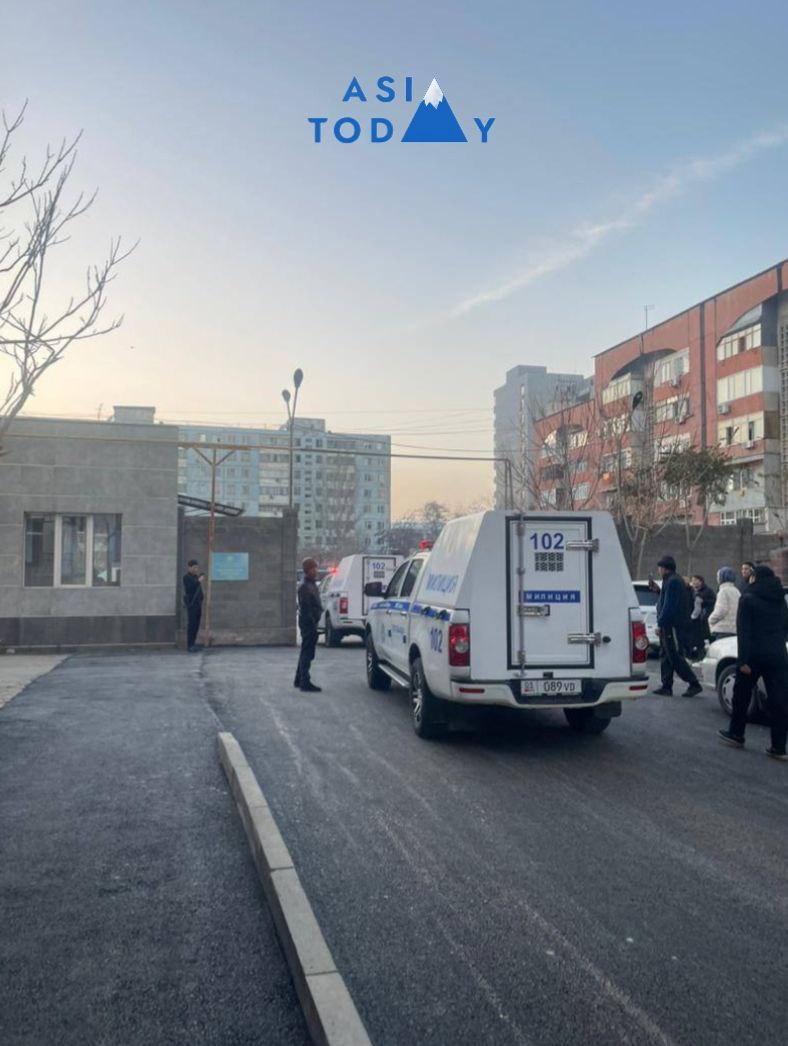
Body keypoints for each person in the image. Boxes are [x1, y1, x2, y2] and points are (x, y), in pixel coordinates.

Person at [719, 564, 788, 761]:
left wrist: (743, 660)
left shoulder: (748, 597)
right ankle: (778, 746)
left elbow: (744, 631)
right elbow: (785, 627)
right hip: (778, 654)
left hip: (753, 654)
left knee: (741, 694)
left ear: (755, 578)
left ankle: (736, 733)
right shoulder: (780, 599)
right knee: (779, 700)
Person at [653, 555, 703, 697]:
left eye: (660, 567)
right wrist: (657, 591)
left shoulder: (673, 581)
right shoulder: (671, 580)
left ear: (665, 568)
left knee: (674, 656)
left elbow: (669, 605)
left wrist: (661, 623)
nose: (658, 570)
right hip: (670, 624)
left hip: (672, 625)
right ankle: (666, 686)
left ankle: (694, 683)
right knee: (665, 654)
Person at [295, 557, 323, 693]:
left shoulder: (311, 584)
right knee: (308, 653)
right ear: (308, 570)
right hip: (308, 624)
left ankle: (298, 679)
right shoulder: (305, 586)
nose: (316, 570)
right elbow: (306, 608)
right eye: (314, 568)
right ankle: (305, 682)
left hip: (311, 622)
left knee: (305, 651)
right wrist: (312, 625)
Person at [708, 567, 740, 641]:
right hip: (734, 628)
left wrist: (710, 619)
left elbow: (721, 610)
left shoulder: (723, 591)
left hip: (723, 629)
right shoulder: (736, 591)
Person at [688, 574, 716, 657]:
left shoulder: (708, 590)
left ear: (701, 582)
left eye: (696, 580)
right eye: (692, 581)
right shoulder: (692, 591)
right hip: (696, 619)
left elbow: (714, 601)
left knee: (709, 638)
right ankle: (698, 655)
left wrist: (704, 601)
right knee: (698, 639)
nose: (694, 582)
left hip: (706, 618)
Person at [182, 559, 205, 653]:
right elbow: (190, 588)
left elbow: (198, 589)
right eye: (194, 567)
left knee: (196, 625)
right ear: (189, 567)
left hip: (198, 604)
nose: (196, 569)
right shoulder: (186, 577)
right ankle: (189, 645)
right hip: (192, 605)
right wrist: (198, 581)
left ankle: (193, 644)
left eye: (197, 567)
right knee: (191, 625)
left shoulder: (195, 577)